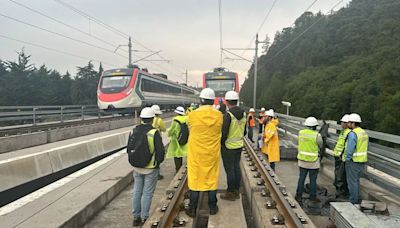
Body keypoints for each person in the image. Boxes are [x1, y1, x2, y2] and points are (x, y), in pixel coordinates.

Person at [186, 88, 223, 217]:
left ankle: (192, 208)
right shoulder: (219, 115)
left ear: (201, 100)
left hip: (196, 153)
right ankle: (212, 207)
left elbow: (189, 129)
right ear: (213, 101)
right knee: (211, 179)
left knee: (195, 180)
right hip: (212, 153)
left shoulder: (192, 115)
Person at [130, 107, 165, 226]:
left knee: (137, 191)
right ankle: (145, 217)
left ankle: (136, 217)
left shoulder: (133, 131)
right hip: (150, 168)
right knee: (147, 193)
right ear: (152, 119)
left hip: (136, 167)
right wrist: (157, 163)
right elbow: (160, 152)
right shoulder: (154, 133)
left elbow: (128, 149)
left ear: (141, 119)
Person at [220, 91, 246, 201]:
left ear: (226, 102)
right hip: (239, 145)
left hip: (228, 147)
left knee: (229, 170)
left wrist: (221, 143)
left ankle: (230, 192)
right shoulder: (244, 114)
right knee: (236, 167)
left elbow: (224, 133)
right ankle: (236, 190)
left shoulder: (228, 115)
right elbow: (244, 132)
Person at [295, 116, 323, 203]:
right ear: (315, 126)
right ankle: (312, 197)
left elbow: (299, 142)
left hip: (302, 160)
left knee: (301, 178)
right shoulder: (317, 135)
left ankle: (298, 195)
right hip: (313, 162)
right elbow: (320, 145)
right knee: (313, 180)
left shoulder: (301, 133)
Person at [344, 113, 368, 204]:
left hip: (353, 161)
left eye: (349, 122)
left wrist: (347, 159)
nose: (348, 124)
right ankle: (356, 199)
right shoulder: (364, 133)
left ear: (353, 123)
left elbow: (350, 149)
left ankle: (353, 201)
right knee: (356, 181)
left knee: (352, 182)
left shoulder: (353, 134)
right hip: (362, 161)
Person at [333, 114, 351, 198]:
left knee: (340, 175)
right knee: (338, 174)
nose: (341, 124)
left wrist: (342, 155)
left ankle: (341, 192)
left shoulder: (348, 133)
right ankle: (339, 190)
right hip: (338, 156)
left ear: (347, 123)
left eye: (342, 122)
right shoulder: (343, 132)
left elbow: (346, 146)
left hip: (341, 157)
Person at [166, 106, 188, 173]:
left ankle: (178, 170)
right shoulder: (187, 118)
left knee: (177, 155)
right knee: (187, 153)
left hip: (177, 140)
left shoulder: (175, 119)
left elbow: (171, 130)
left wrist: (169, 134)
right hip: (186, 139)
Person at [151, 104, 166, 180]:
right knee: (157, 156)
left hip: (148, 139)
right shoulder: (159, 120)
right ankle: (157, 174)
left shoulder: (148, 119)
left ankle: (151, 173)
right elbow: (164, 129)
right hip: (157, 139)